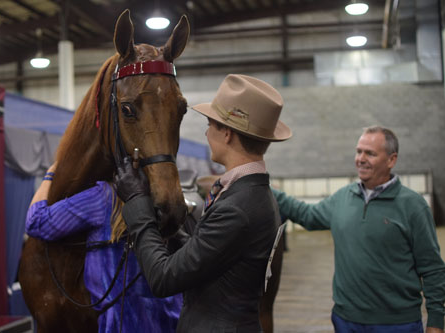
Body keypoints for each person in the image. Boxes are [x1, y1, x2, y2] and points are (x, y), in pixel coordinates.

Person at [114, 74, 292, 332]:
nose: (207, 132)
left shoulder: (237, 207)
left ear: (227, 134)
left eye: (211, 125)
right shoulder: (252, 193)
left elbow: (162, 279)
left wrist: (135, 201)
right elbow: (211, 257)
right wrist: (175, 230)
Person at [272, 126, 445, 333]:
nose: (360, 159)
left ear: (391, 160)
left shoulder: (413, 206)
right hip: (346, 320)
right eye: (358, 151)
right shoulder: (343, 198)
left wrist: (436, 321)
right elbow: (308, 216)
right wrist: (265, 187)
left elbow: (432, 268)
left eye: (370, 153)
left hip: (397, 324)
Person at [25, 163, 182, 333]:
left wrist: (49, 175)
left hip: (122, 325)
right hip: (171, 318)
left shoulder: (104, 198)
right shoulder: (161, 199)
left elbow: (37, 222)